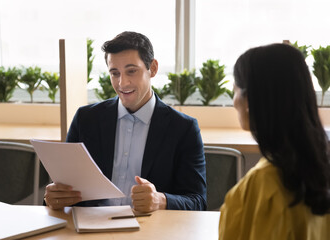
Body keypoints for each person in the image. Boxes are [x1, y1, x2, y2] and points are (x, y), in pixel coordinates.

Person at [44, 31, 207, 212]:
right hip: (91, 230)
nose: (122, 83)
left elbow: (198, 202)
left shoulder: (183, 129)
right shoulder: (86, 119)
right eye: (115, 73)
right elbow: (63, 189)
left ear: (152, 68)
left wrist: (160, 200)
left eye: (131, 71)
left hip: (151, 231)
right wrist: (53, 197)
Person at [219, 43, 330, 239]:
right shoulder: (319, 173)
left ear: (249, 101)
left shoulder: (262, 186)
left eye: (235, 89)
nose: (233, 100)